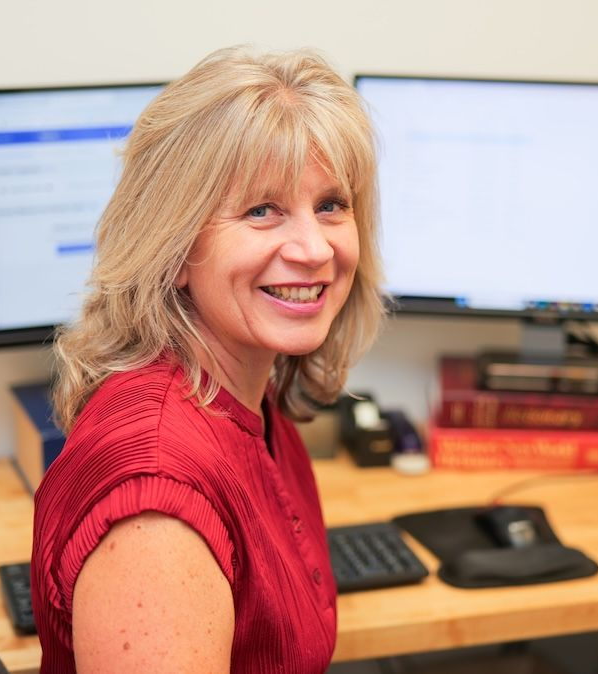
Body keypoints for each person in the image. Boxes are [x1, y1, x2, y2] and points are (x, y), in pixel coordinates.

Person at [31, 46, 384, 673]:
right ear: (173, 239)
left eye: (332, 204)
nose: (313, 248)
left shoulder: (246, 390)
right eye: (261, 210)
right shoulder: (155, 508)